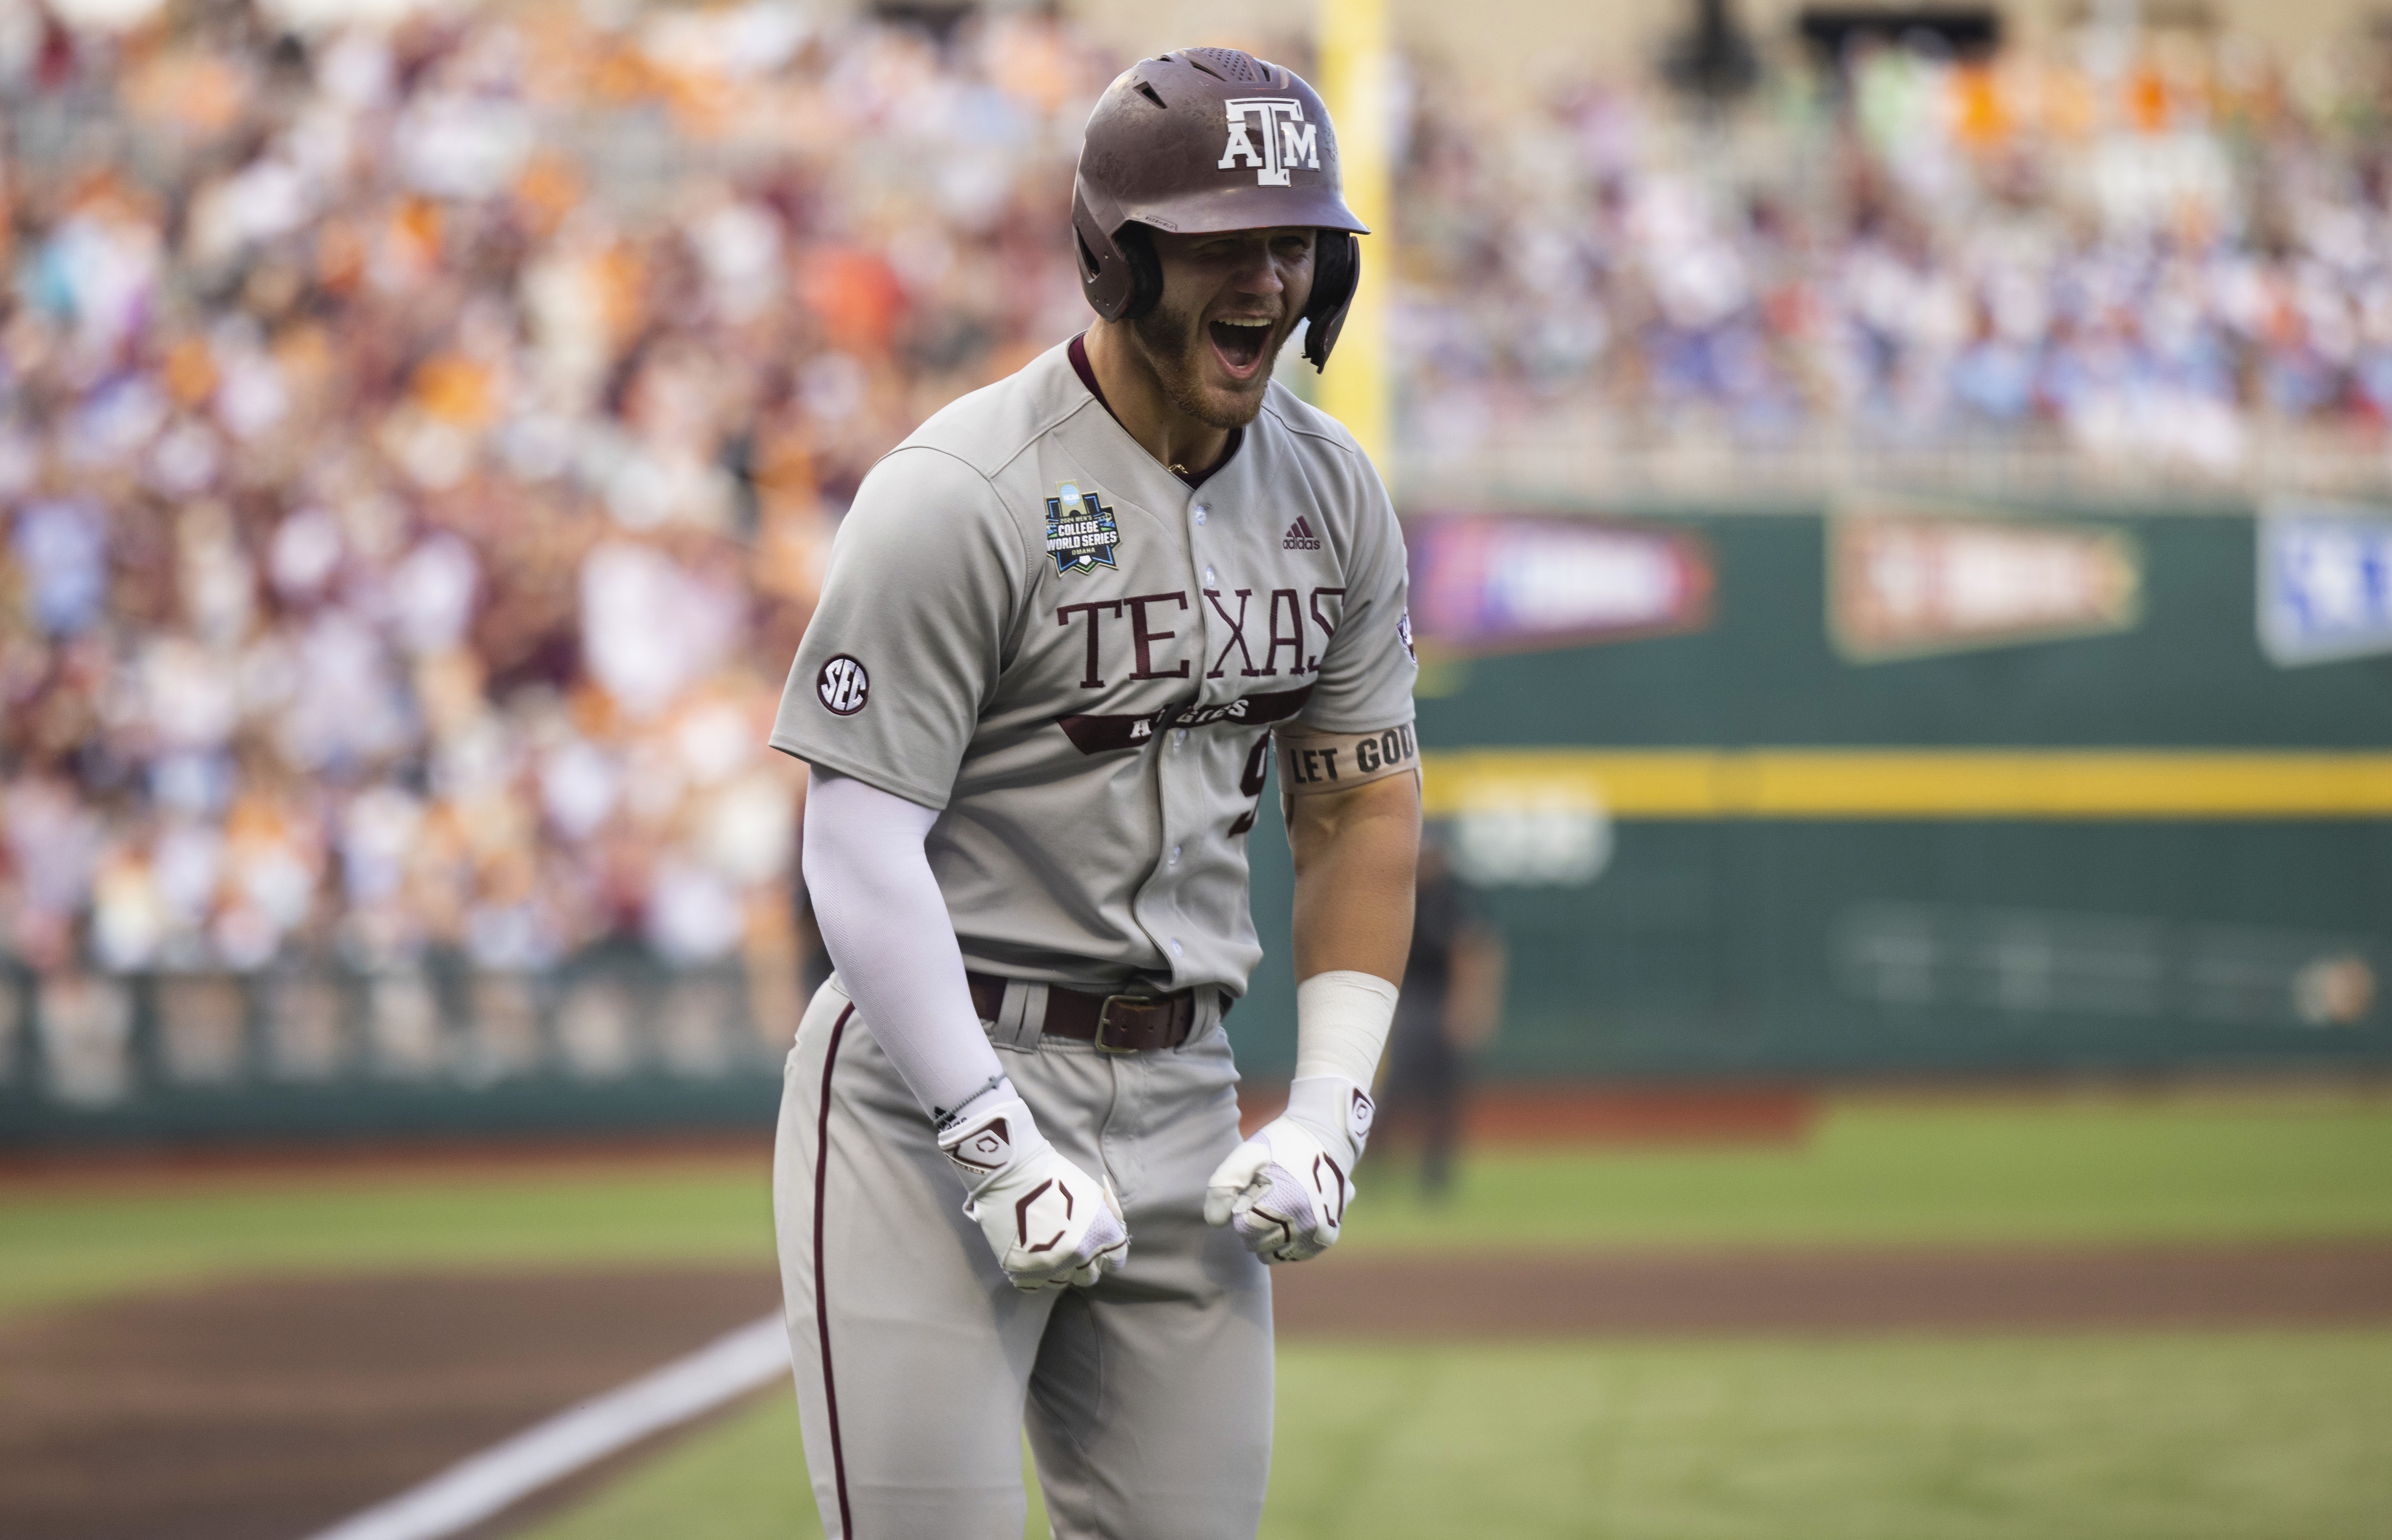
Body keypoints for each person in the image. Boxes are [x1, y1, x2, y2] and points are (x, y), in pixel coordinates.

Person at [765, 47, 1421, 1540]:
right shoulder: (957, 493)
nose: (1265, 280)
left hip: (1186, 1088)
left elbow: (1358, 809)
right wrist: (990, 1137)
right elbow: (858, 840)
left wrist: (1324, 1110)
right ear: (1116, 256)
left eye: (1291, 240)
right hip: (930, 1088)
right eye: (1218, 242)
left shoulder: (1333, 496)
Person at [1377, 833, 1506, 1199]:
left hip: (1443, 999)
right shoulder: (1401, 893)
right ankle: (1372, 1166)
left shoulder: (1456, 896)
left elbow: (1476, 951)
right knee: (1396, 1088)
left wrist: (1471, 1007)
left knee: (1444, 1095)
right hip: (1411, 1000)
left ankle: (1436, 1177)